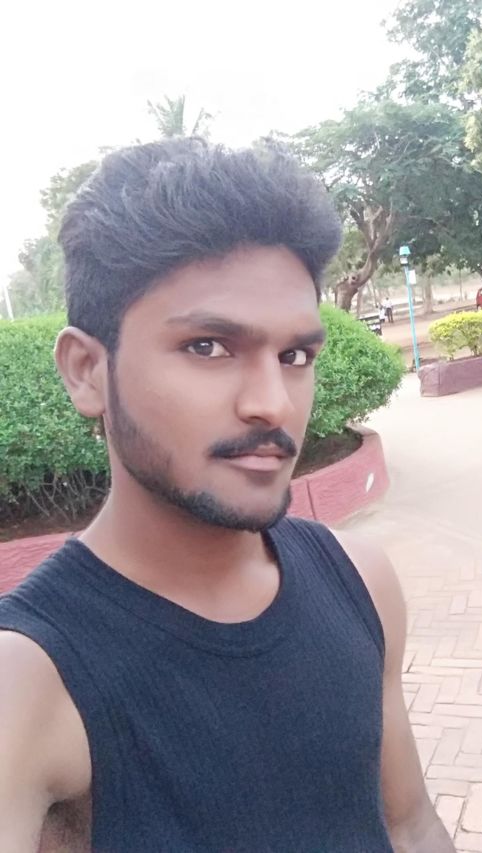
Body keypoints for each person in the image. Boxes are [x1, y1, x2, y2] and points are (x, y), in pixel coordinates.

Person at [0, 139, 454, 853]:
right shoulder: (31, 677)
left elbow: (411, 824)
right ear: (87, 370)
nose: (273, 402)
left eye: (295, 355)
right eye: (208, 346)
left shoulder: (360, 580)